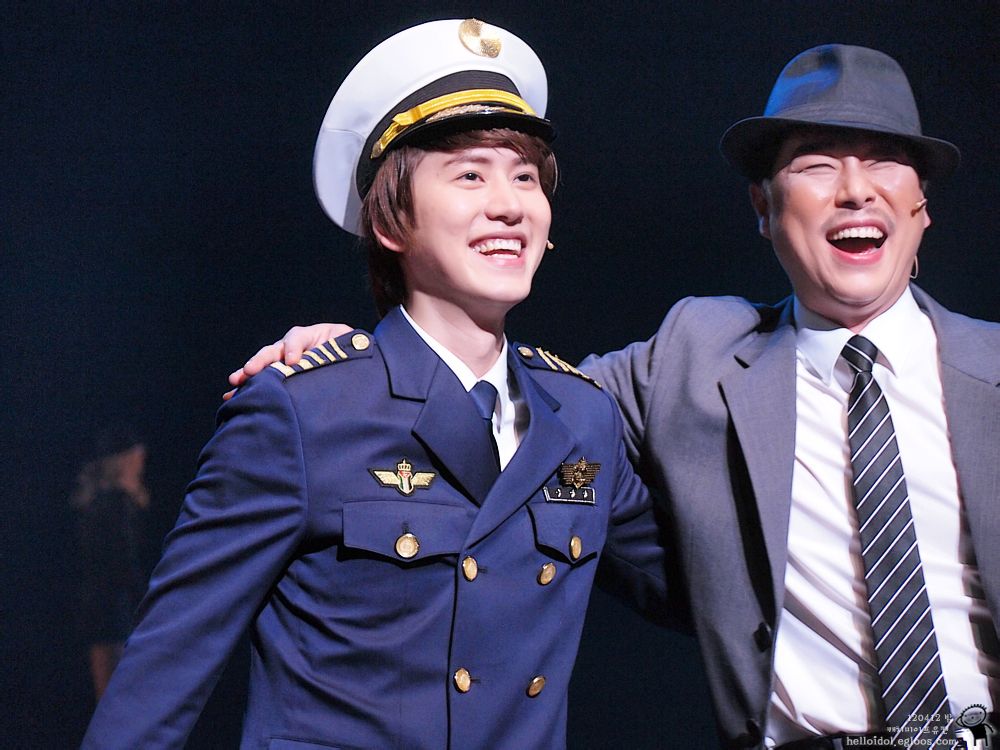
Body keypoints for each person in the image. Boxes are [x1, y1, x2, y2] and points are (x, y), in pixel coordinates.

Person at [239, 45, 1000, 748]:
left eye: (884, 162)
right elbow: (500, 399)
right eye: (819, 165)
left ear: (922, 206)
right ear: (764, 209)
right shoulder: (695, 354)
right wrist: (359, 362)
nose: (856, 190)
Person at [82, 18, 667, 750]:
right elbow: (162, 676)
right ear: (391, 221)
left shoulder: (581, 419)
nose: (510, 204)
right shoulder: (303, 413)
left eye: (525, 177)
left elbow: (713, 594)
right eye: (470, 175)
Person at [71, 426, 149, 701]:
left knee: (111, 697)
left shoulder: (95, 503)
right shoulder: (116, 504)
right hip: (115, 608)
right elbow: (123, 563)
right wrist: (146, 604)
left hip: (100, 608)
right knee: (119, 699)